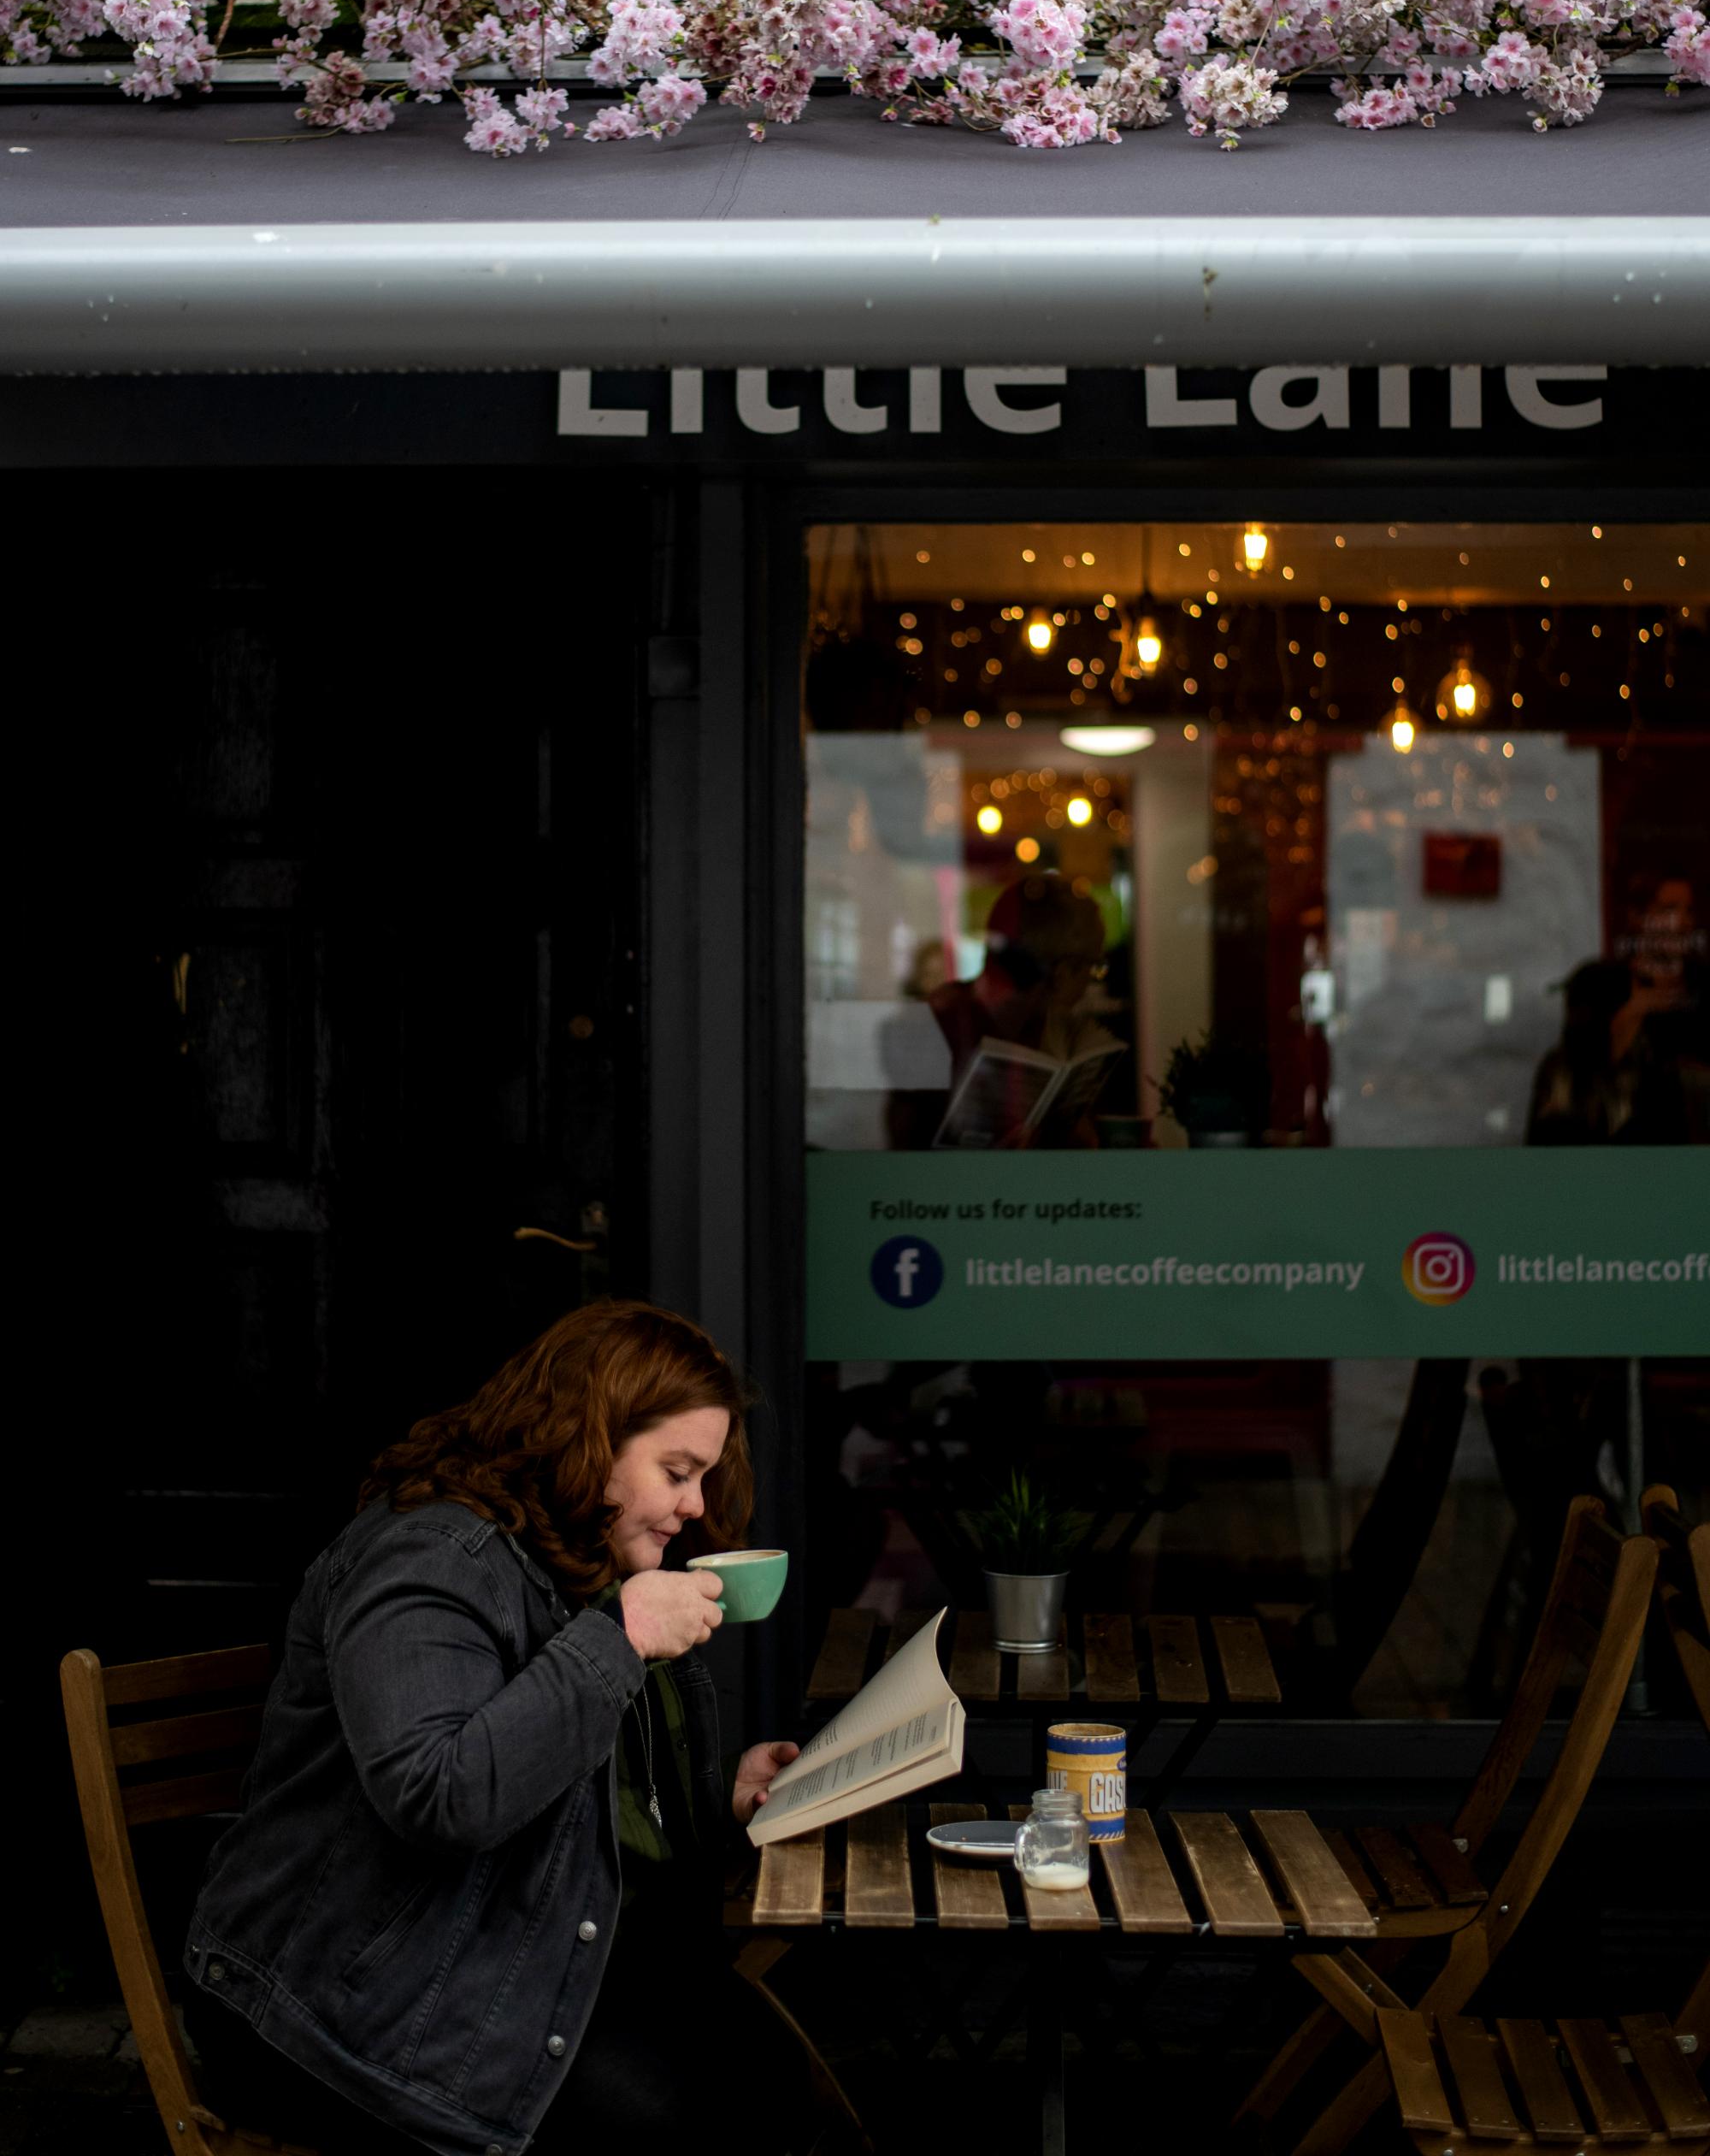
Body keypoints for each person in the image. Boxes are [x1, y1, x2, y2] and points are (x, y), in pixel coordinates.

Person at [181, 1302, 805, 2156]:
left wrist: (716, 1791)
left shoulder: (576, 1555)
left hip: (497, 1952)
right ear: (588, 1438)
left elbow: (573, 1779)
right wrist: (620, 1639)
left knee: (766, 2082)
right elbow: (441, 1795)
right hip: (338, 2001)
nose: (696, 1506)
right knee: (681, 2120)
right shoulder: (430, 1559)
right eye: (676, 1471)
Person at [928, 871, 1113, 1145]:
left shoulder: (1032, 1027)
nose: (1089, 984)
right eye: (1093, 968)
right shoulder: (945, 1026)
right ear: (1062, 974)